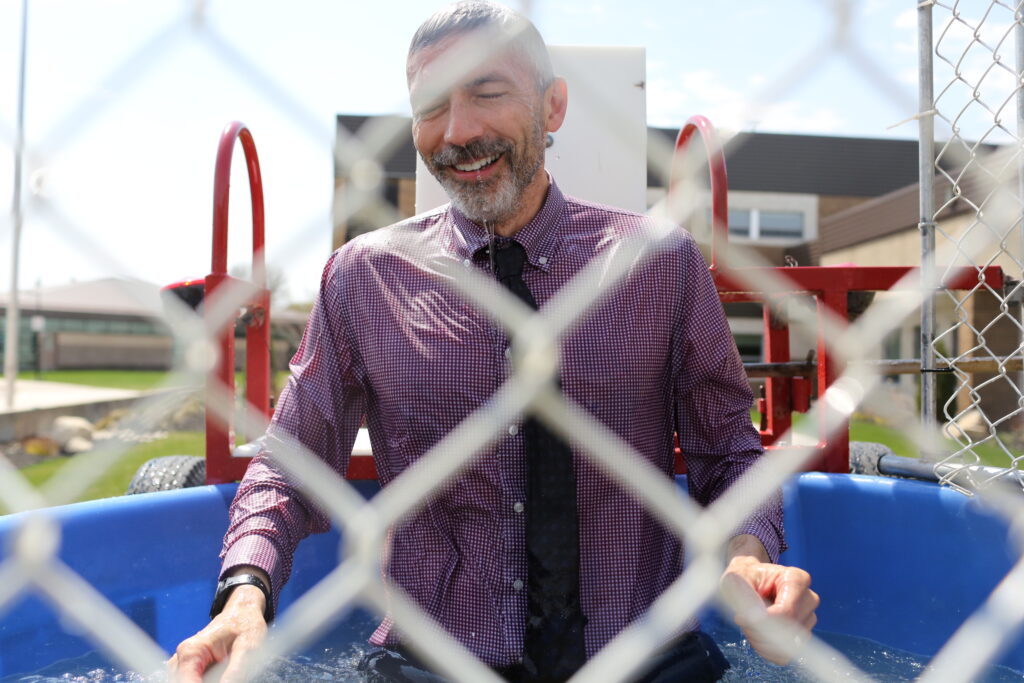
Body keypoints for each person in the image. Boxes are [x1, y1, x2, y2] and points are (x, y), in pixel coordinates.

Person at [169, 2, 819, 681]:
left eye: (487, 92)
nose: (459, 131)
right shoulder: (364, 277)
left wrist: (748, 556)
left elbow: (727, 450)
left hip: (647, 661)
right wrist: (244, 595)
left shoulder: (661, 263)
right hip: (427, 666)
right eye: (431, 106)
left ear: (553, 106)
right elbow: (290, 463)